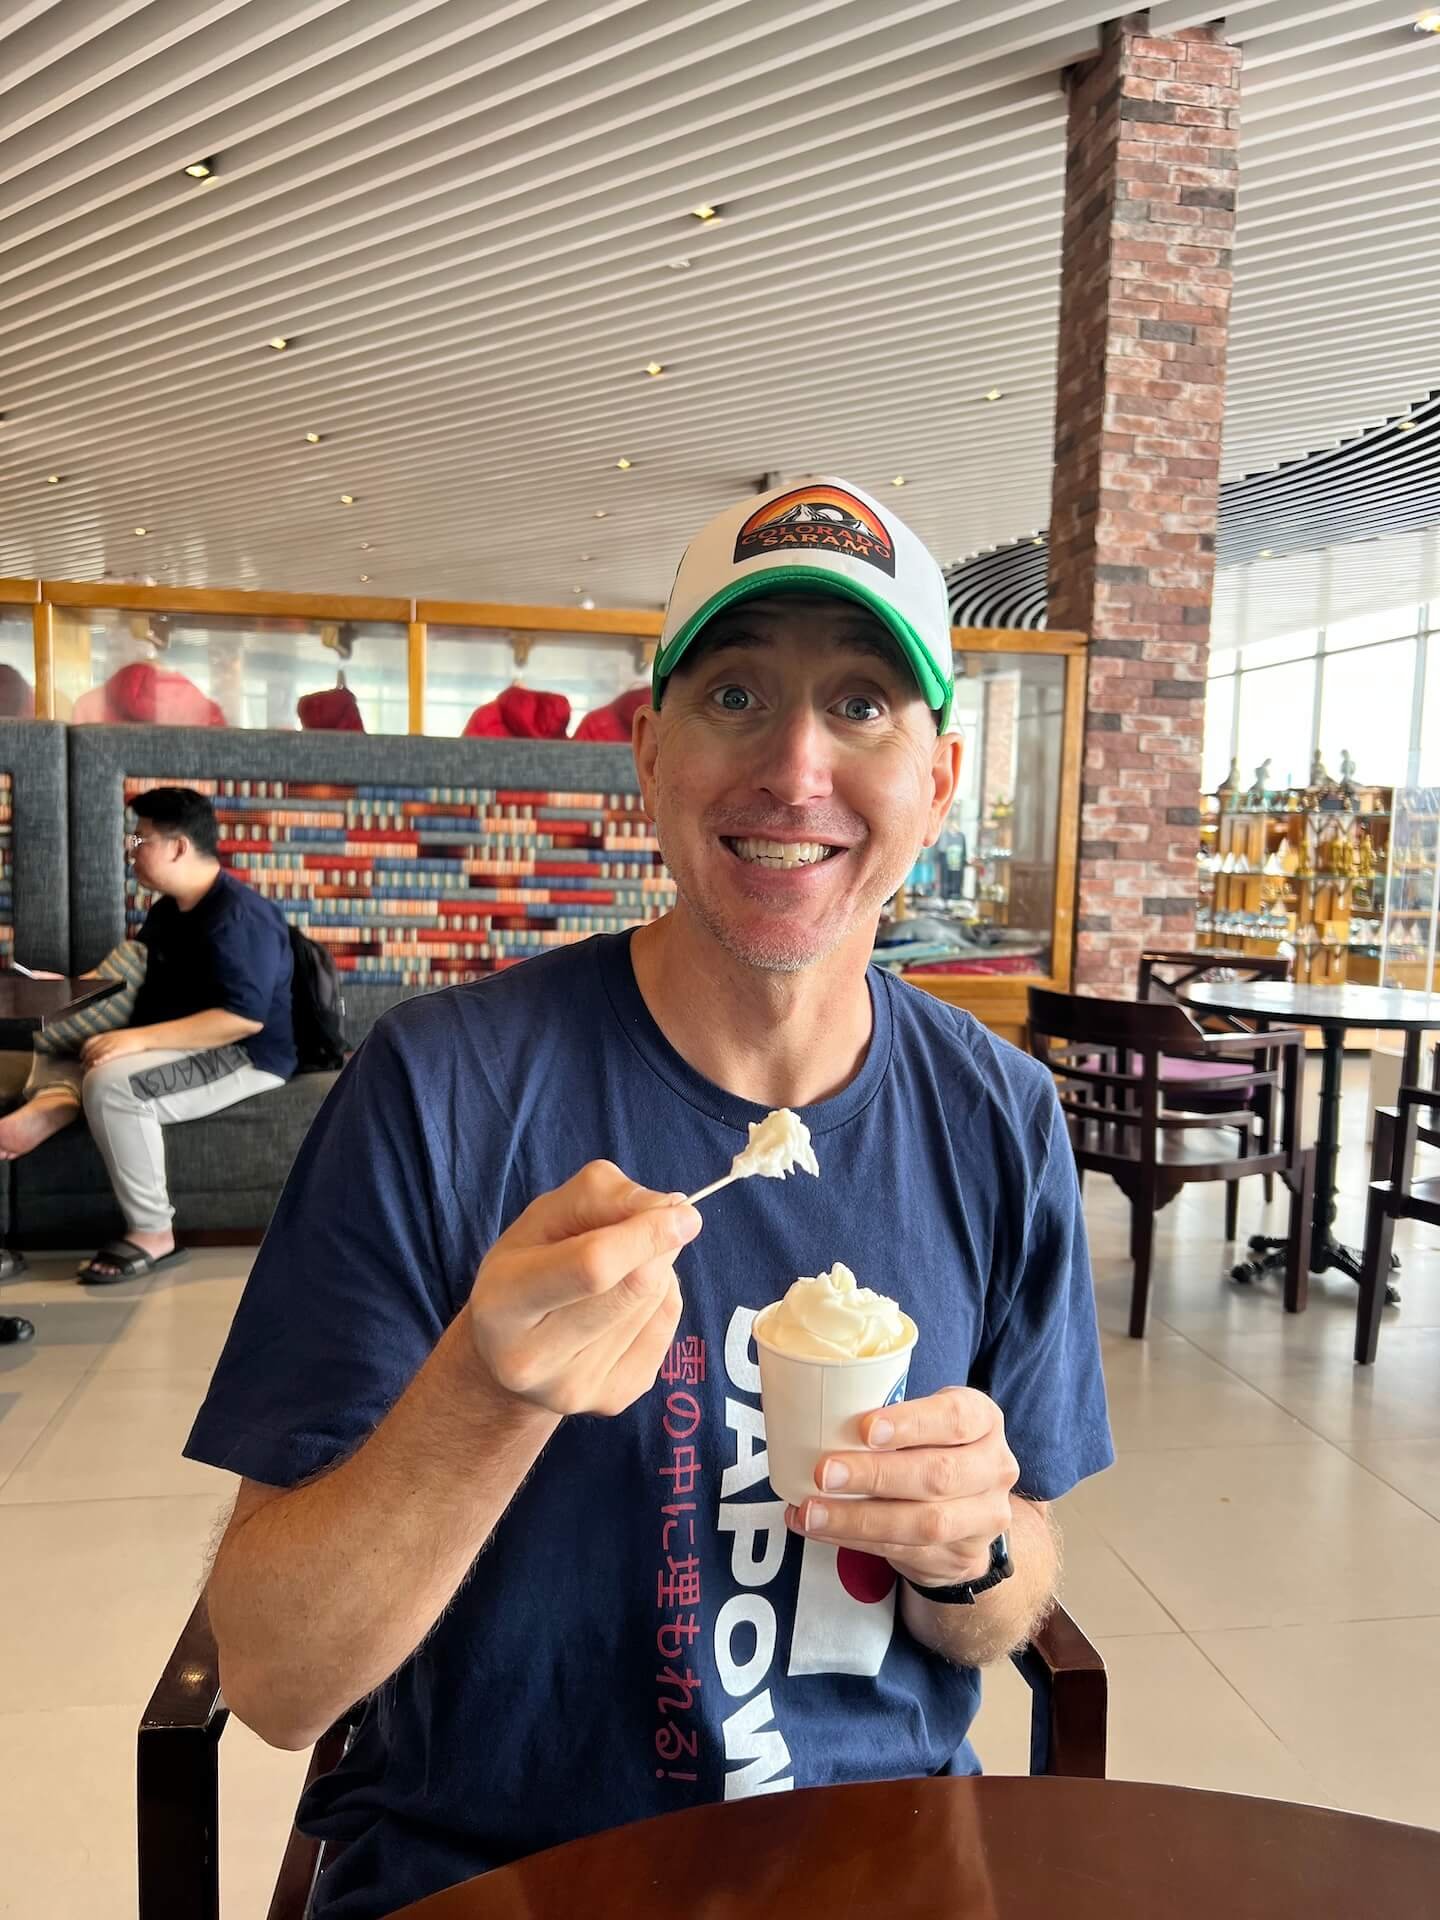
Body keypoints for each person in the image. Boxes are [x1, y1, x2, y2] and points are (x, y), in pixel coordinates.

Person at [190, 478, 1112, 1920]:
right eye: (736, 692)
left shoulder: (999, 1118)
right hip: (496, 1876)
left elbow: (1010, 1594)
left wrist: (975, 1543)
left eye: (863, 703)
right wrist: (481, 1402)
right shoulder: (442, 1089)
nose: (797, 766)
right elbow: (276, 1679)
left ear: (937, 782)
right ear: (648, 755)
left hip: (876, 1871)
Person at [0, 787, 296, 1281]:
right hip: (184, 1039)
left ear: (179, 847)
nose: (130, 849)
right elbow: (134, 985)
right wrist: (68, 991)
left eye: (140, 838)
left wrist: (137, 1041)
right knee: (54, 1050)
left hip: (246, 1053)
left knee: (113, 1083)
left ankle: (154, 1233)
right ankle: (54, 1101)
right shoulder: (166, 914)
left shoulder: (239, 916)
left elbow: (243, 1018)